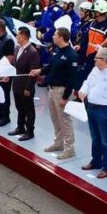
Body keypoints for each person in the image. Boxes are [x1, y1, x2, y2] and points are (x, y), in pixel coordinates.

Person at [31, 29, 80, 160]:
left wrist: (65, 97)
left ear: (62, 38)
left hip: (61, 91)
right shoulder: (57, 50)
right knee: (55, 119)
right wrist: (39, 71)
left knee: (64, 120)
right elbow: (50, 67)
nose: (53, 36)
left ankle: (70, 148)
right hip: (52, 89)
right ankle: (59, 143)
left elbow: (72, 78)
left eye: (55, 35)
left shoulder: (71, 55)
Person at [78, 47, 107, 179]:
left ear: (104, 60)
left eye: (96, 58)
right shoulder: (95, 70)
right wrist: (83, 91)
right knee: (95, 138)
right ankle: (96, 161)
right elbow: (87, 83)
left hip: (105, 110)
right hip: (91, 107)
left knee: (105, 140)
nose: (94, 60)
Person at [9, 26, 41, 141]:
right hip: (17, 84)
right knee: (19, 107)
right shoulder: (17, 48)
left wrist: (28, 88)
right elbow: (14, 66)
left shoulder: (32, 52)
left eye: (18, 35)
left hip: (25, 86)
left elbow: (33, 73)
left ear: (23, 36)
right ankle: (20, 127)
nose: (16, 36)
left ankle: (30, 131)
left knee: (28, 109)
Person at [84, 0, 107, 78]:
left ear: (100, 13)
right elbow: (87, 40)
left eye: (95, 11)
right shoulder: (92, 23)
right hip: (88, 58)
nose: (93, 13)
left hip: (99, 61)